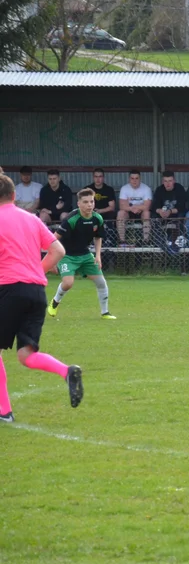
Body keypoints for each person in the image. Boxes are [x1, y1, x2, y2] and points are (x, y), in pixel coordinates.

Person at [0, 173, 83, 423]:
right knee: (26, 354)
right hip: (36, 291)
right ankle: (66, 371)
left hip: (8, 288)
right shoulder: (31, 218)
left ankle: (4, 411)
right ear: (14, 196)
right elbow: (58, 250)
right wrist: (37, 270)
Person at [47, 189, 115, 320]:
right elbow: (54, 238)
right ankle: (55, 302)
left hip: (85, 255)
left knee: (101, 282)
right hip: (67, 255)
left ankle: (105, 312)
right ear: (78, 204)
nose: (89, 205)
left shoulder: (97, 218)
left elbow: (98, 237)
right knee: (68, 283)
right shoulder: (71, 219)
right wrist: (53, 260)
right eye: (85, 202)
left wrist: (98, 256)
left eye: (91, 201)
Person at [117, 169, 152, 245]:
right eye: (132, 178)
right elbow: (121, 206)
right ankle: (122, 241)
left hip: (141, 213)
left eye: (137, 178)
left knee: (147, 213)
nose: (134, 181)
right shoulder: (124, 188)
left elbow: (147, 206)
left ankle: (146, 241)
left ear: (140, 179)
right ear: (129, 179)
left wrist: (137, 207)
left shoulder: (146, 189)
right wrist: (132, 208)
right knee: (120, 213)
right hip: (129, 212)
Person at [151, 171, 187, 246]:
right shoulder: (159, 190)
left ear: (174, 180)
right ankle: (158, 242)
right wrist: (160, 211)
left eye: (170, 181)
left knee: (182, 215)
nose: (168, 184)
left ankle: (179, 242)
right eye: (165, 181)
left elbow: (182, 206)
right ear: (162, 181)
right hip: (163, 215)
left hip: (175, 214)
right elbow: (154, 206)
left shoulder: (179, 188)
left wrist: (170, 211)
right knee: (153, 216)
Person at [87, 168, 117, 243]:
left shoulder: (109, 190)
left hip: (105, 213)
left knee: (112, 216)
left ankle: (110, 242)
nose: (98, 179)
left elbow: (112, 207)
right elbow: (83, 205)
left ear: (103, 178)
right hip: (91, 213)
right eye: (96, 176)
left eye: (100, 176)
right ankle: (89, 242)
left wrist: (100, 211)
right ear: (93, 177)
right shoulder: (88, 190)